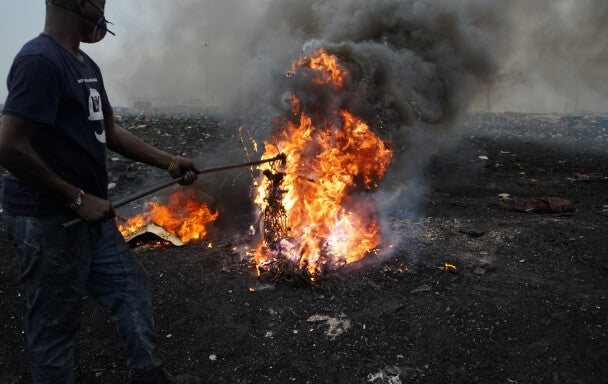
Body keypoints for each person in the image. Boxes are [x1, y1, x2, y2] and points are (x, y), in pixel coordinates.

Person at [0, 1, 202, 383]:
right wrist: (75, 198)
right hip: (50, 222)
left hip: (91, 217)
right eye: (101, 1)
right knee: (54, 329)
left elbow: (109, 132)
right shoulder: (40, 61)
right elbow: (10, 146)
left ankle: (147, 373)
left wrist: (171, 163)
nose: (104, 12)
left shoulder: (85, 65)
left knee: (129, 287)